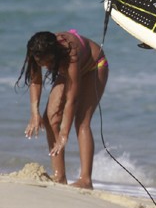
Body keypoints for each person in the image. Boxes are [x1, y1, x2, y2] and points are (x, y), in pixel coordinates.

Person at [15, 30, 109, 189]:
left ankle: (85, 180)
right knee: (49, 118)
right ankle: (60, 176)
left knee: (81, 121)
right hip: (67, 72)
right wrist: (34, 113)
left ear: (55, 53)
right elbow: (35, 81)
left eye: (48, 62)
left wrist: (64, 134)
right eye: (42, 64)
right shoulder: (36, 52)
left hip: (94, 67)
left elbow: (72, 99)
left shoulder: (71, 53)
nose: (46, 67)